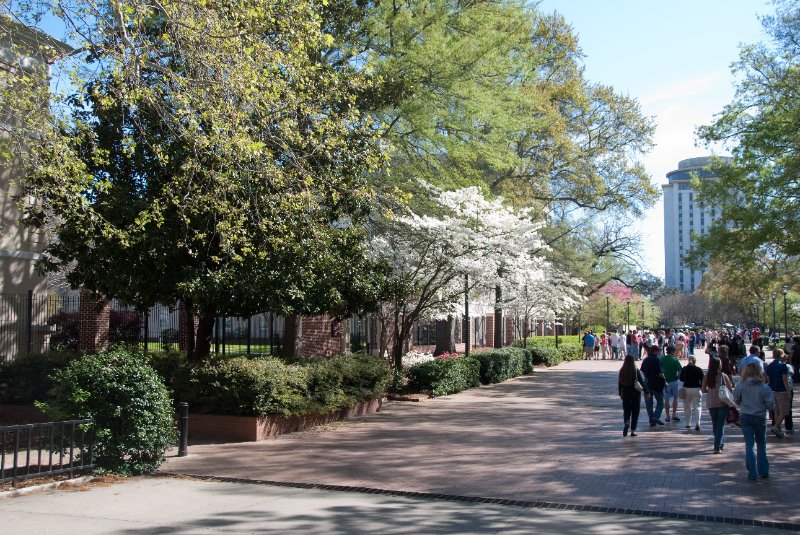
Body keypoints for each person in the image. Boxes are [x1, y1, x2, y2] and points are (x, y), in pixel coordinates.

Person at [733, 362, 775, 480]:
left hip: (745, 416)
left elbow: (735, 399)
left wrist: (743, 404)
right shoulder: (764, 387)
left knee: (749, 444)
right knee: (761, 444)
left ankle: (752, 472)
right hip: (759, 416)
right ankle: (763, 471)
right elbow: (770, 404)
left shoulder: (741, 385)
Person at [702, 357, 733, 453]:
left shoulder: (707, 376)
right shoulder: (723, 376)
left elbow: (703, 390)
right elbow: (730, 390)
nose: (721, 365)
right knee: (720, 425)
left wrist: (711, 391)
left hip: (711, 403)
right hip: (722, 403)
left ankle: (719, 443)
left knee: (715, 425)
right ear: (718, 365)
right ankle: (717, 446)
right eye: (720, 363)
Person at [618, 354, 648, 437]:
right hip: (635, 393)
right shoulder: (636, 370)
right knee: (635, 412)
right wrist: (647, 392)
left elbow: (620, 384)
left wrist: (620, 393)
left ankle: (627, 422)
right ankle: (633, 430)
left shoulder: (622, 370)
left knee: (626, 411)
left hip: (625, 393)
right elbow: (641, 382)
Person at [764, 348, 791, 438]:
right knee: (784, 411)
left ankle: (778, 430)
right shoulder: (783, 366)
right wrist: (788, 392)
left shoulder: (769, 366)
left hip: (772, 390)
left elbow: (768, 380)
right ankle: (776, 427)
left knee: (776, 411)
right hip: (782, 390)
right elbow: (785, 380)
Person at [641, 345, 666, 427]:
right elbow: (660, 373)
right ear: (655, 351)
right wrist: (664, 382)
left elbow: (642, 370)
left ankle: (651, 419)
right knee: (660, 402)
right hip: (656, 382)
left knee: (649, 402)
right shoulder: (657, 360)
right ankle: (656, 417)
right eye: (658, 350)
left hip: (647, 381)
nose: (660, 352)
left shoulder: (646, 360)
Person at [679, 355, 704, 431]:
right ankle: (697, 423)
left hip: (687, 389)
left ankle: (688, 424)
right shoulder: (699, 369)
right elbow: (702, 380)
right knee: (697, 407)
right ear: (695, 361)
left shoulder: (684, 369)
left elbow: (681, 379)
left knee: (687, 407)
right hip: (697, 389)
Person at [660, 345, 683, 422]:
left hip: (664, 381)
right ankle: (674, 414)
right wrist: (678, 377)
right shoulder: (675, 360)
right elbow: (680, 370)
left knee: (666, 399)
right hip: (674, 380)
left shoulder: (662, 359)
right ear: (672, 351)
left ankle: (667, 416)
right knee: (675, 398)